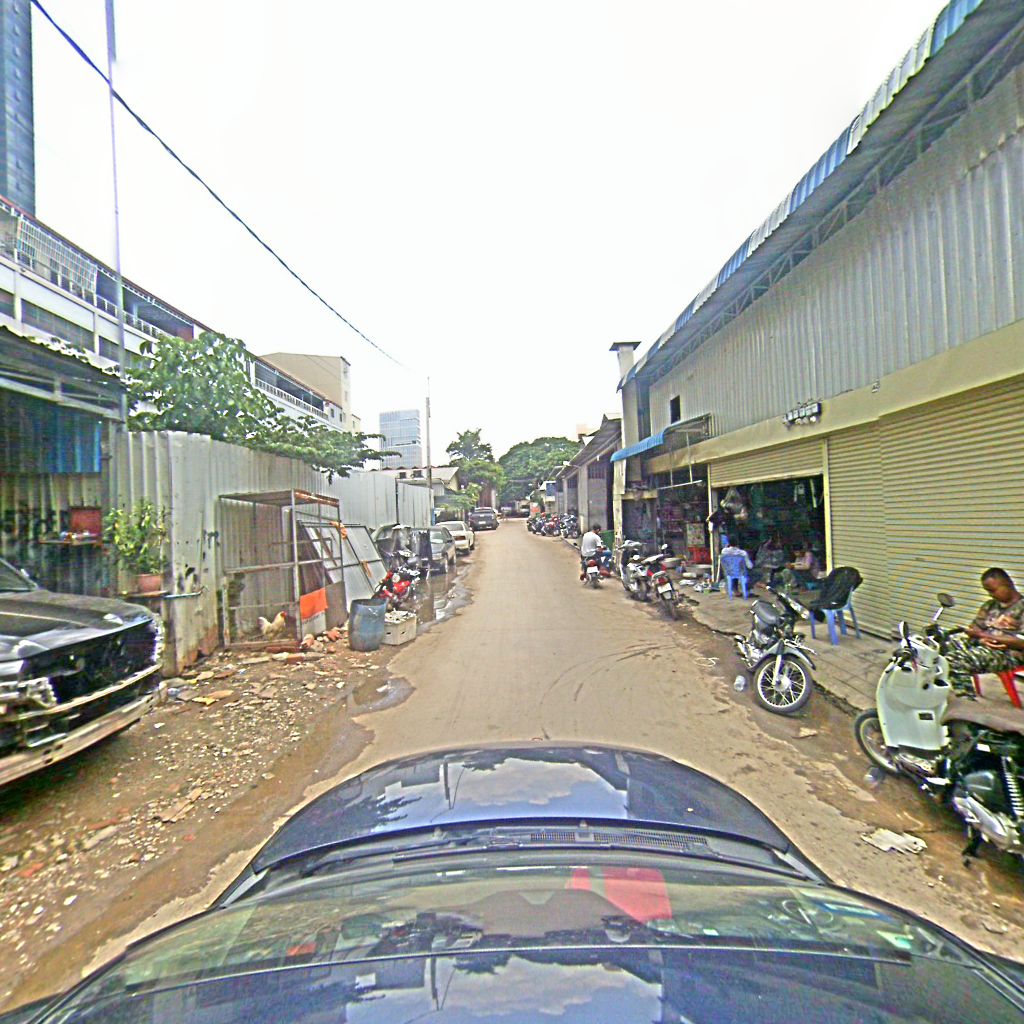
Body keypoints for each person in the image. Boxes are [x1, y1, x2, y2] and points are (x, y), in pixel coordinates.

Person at [946, 568, 1024, 697]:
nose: (990, 594)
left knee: (956, 659)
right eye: (988, 591)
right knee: (944, 646)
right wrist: (981, 638)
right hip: (983, 645)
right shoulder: (989, 605)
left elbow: (1021, 642)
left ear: (1009, 584)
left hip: (1009, 654)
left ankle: (966, 700)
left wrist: (983, 635)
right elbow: (975, 628)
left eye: (993, 590)